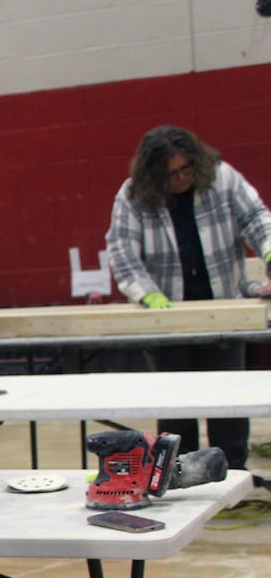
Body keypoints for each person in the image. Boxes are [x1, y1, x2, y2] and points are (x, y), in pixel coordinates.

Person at [106, 125, 271, 471]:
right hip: (168, 322)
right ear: (154, 177)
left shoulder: (222, 179)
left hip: (224, 315)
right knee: (176, 412)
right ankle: (180, 475)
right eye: (171, 174)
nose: (181, 179)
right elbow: (121, 249)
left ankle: (231, 478)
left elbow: (257, 219)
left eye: (186, 169)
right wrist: (145, 292)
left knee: (228, 407)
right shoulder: (133, 196)